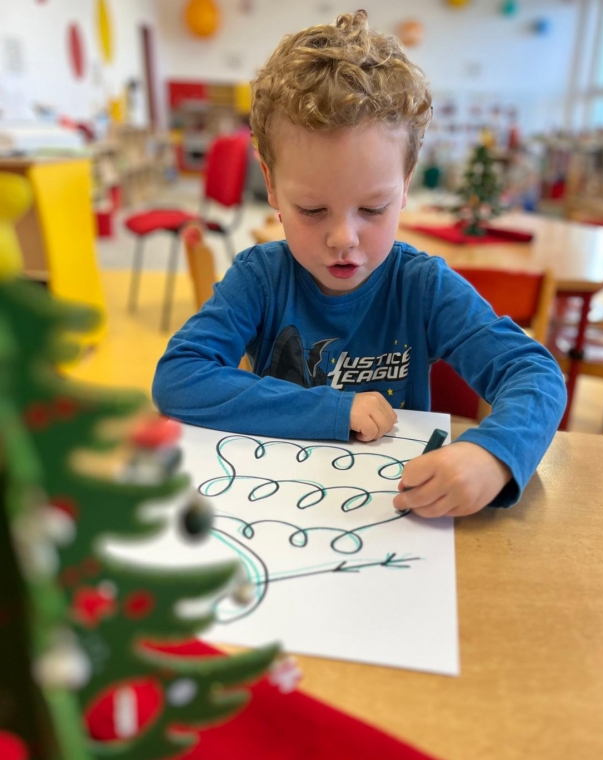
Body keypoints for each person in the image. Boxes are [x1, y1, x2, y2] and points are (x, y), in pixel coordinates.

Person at [153, 10, 566, 518]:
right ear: (271, 184)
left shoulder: (422, 287)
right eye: (312, 210)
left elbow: (534, 373)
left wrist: (494, 455)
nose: (343, 239)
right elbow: (179, 377)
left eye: (373, 209)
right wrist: (333, 408)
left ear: (406, 184)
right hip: (271, 506)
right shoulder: (259, 279)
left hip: (391, 517)